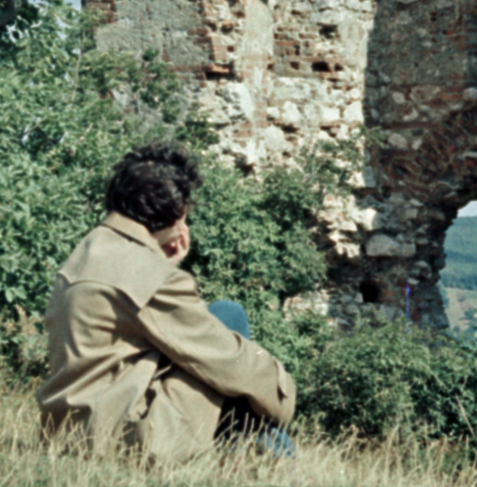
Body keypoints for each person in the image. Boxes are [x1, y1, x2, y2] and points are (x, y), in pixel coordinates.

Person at [39, 143, 296, 463]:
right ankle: (281, 464)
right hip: (121, 442)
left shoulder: (90, 250)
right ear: (175, 213)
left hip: (67, 434)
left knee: (214, 342)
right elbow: (223, 359)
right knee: (228, 317)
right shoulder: (148, 275)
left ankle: (263, 461)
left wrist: (163, 262)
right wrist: (282, 388)